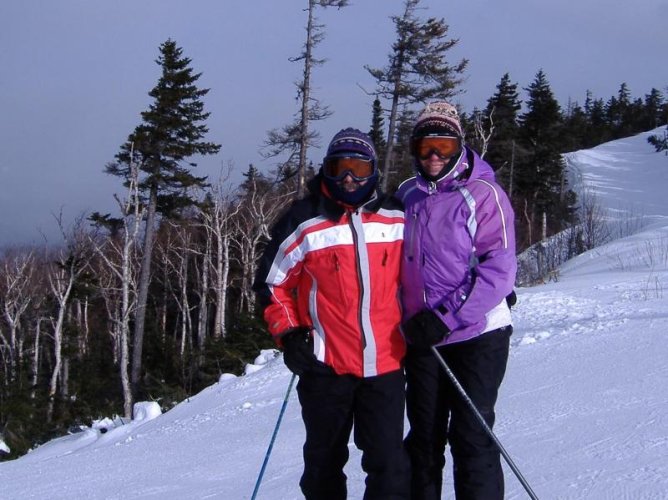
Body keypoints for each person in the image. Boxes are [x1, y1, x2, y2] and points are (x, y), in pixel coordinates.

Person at [254, 128, 410, 500]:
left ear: (372, 170)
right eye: (340, 168)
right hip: (325, 366)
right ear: (326, 169)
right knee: (324, 464)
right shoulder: (304, 220)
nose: (349, 178)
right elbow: (272, 284)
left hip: (384, 364)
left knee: (390, 467)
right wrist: (290, 334)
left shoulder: (395, 217)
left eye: (358, 168)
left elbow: (424, 271)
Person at [396, 102, 517, 500]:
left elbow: (498, 270)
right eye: (427, 145)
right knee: (424, 438)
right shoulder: (406, 195)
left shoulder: (483, 194)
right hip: (423, 337)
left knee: (471, 434)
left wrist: (446, 316)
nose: (434, 156)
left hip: (478, 334)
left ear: (460, 147)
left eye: (444, 147)